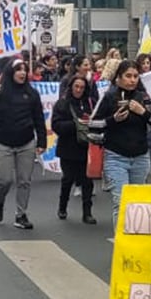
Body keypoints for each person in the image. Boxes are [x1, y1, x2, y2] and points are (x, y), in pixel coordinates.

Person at [90, 60, 151, 227]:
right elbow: (92, 124)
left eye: (135, 76)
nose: (132, 80)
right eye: (128, 76)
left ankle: (134, 242)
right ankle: (120, 242)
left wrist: (143, 112)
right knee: (121, 200)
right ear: (118, 78)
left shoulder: (144, 98)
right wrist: (112, 120)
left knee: (137, 202)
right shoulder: (109, 96)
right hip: (115, 156)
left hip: (140, 156)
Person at [0, 58, 47, 229]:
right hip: (3, 143)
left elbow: (39, 119)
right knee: (5, 180)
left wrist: (42, 141)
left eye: (25, 70)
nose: (22, 73)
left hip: (26, 143)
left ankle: (21, 214)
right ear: (11, 73)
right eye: (18, 69)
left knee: (24, 181)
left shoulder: (32, 94)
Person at [51, 73, 97, 224]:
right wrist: (76, 124)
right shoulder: (62, 104)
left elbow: (99, 122)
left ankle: (87, 213)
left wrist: (90, 123)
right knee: (68, 179)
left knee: (87, 182)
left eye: (82, 87)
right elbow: (56, 126)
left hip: (86, 148)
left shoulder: (90, 103)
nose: (79, 90)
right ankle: (62, 207)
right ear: (71, 87)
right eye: (76, 86)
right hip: (68, 148)